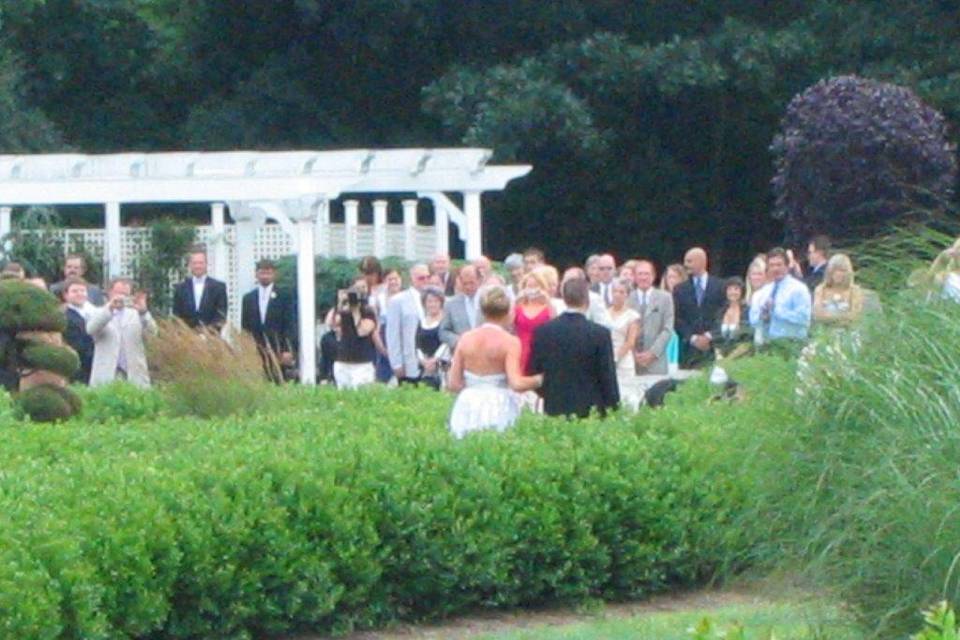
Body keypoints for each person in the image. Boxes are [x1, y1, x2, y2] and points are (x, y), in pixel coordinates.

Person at [447, 286, 543, 437]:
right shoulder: (510, 342)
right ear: (508, 313)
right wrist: (540, 379)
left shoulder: (466, 338)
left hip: (468, 402)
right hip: (498, 403)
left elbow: (453, 383)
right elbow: (516, 383)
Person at [529, 278, 619, 418]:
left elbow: (534, 371)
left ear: (564, 298)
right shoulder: (599, 334)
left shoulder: (543, 332)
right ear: (587, 299)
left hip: (555, 406)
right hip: (591, 409)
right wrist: (614, 408)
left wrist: (549, 392)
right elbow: (607, 376)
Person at [87, 277, 157, 387]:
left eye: (125, 294)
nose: (121, 297)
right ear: (109, 293)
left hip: (134, 375)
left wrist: (143, 313)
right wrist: (110, 309)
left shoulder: (136, 314)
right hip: (106, 374)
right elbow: (91, 329)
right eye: (118, 293)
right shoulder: (99, 312)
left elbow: (153, 334)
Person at [240, 259, 297, 381]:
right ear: (256, 274)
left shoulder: (284, 296)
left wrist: (288, 349)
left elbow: (290, 324)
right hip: (256, 349)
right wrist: (246, 348)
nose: (265, 276)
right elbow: (245, 327)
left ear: (274, 274)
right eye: (262, 273)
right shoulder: (248, 298)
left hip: (278, 349)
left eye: (268, 273)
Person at [673, 247, 725, 366]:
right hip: (688, 350)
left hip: (714, 347)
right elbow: (677, 318)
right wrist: (692, 338)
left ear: (702, 262)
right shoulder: (679, 289)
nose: (686, 265)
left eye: (689, 261)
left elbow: (723, 313)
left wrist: (709, 335)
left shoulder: (720, 286)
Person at [749, 247, 812, 345]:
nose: (775, 268)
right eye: (772, 265)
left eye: (779, 265)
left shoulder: (799, 289)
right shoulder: (764, 291)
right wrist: (763, 315)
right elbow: (753, 321)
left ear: (787, 266)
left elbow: (803, 319)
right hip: (767, 345)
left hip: (792, 344)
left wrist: (776, 311)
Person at [628, 260, 675, 375]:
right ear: (634, 277)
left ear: (653, 276)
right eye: (640, 274)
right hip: (631, 362)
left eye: (647, 274)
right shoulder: (627, 298)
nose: (643, 278)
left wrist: (652, 353)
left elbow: (667, 329)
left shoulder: (665, 298)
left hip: (656, 362)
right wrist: (633, 353)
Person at [386, 263, 430, 385]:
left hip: (430, 362)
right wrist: (397, 363)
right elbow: (392, 335)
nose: (425, 281)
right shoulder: (398, 301)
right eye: (421, 278)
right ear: (412, 279)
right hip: (409, 362)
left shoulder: (436, 298)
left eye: (428, 277)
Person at [333, 285, 378, 389]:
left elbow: (362, 331)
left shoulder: (368, 312)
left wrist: (355, 311)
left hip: (362, 363)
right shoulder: (344, 313)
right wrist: (340, 303)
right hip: (343, 361)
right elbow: (333, 323)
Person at [172, 247, 228, 330]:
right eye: (195, 263)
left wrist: (208, 333)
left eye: (200, 263)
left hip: (212, 339)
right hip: (186, 339)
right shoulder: (180, 289)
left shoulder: (219, 287)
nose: (198, 266)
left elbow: (221, 315)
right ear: (190, 265)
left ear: (206, 264)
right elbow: (176, 316)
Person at [513, 270, 555, 374]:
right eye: (529, 286)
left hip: (542, 348)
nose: (532, 290)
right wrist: (516, 302)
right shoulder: (518, 307)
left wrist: (547, 300)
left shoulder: (547, 308)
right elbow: (508, 326)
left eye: (536, 286)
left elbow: (555, 323)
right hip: (521, 349)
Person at [607, 278, 640, 405]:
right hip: (607, 354)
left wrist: (616, 358)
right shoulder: (604, 313)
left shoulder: (632, 316)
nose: (617, 295)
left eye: (621, 292)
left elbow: (630, 341)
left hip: (624, 360)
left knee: (627, 394)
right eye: (615, 291)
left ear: (627, 295)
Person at [813, 253, 865, 326]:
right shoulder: (821, 289)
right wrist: (843, 317)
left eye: (842, 270)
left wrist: (828, 318)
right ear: (829, 271)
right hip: (824, 333)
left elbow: (854, 316)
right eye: (835, 270)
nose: (838, 273)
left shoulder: (854, 290)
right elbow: (817, 315)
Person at [439, 265, 482, 352]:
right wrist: (459, 340)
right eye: (464, 283)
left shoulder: (489, 300)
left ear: (479, 280)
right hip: (463, 355)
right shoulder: (451, 304)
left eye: (471, 283)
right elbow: (443, 332)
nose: (468, 287)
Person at [61, 277, 95, 384]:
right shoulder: (66, 316)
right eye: (75, 291)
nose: (80, 294)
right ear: (66, 295)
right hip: (79, 365)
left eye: (83, 291)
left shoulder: (92, 312)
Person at [372, 268, 403, 382]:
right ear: (384, 282)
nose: (393, 282)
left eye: (396, 278)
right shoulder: (378, 300)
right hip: (384, 340)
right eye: (390, 279)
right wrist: (382, 349)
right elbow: (374, 326)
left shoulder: (407, 297)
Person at [416, 287, 448, 389]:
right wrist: (423, 361)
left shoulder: (446, 320)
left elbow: (446, 342)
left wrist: (435, 360)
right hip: (424, 367)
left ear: (441, 303)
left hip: (443, 366)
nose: (432, 304)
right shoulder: (421, 322)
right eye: (429, 301)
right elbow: (417, 344)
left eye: (436, 301)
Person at [714, 276, 752, 355]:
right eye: (730, 289)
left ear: (742, 292)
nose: (732, 292)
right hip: (720, 356)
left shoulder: (747, 311)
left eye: (736, 289)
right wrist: (719, 355)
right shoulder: (721, 311)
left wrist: (731, 358)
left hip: (741, 355)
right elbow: (716, 335)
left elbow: (747, 338)